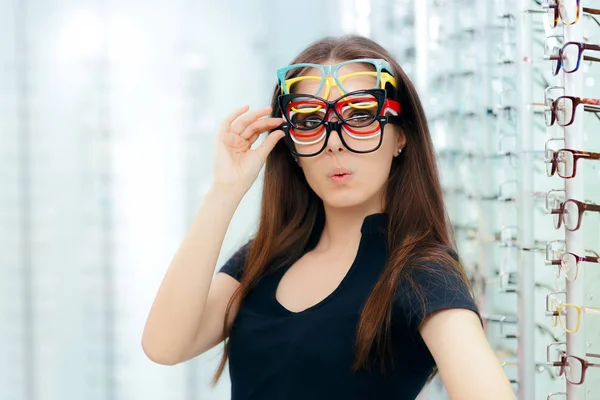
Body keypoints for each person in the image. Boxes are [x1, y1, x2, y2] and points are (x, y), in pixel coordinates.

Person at [141, 34, 516, 400]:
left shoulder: (419, 271)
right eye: (308, 121)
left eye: (360, 116)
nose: (334, 141)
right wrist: (224, 190)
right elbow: (165, 345)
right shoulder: (265, 258)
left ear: (401, 136)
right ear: (290, 146)